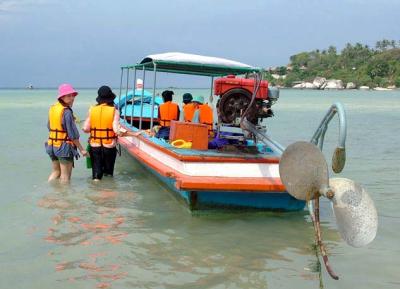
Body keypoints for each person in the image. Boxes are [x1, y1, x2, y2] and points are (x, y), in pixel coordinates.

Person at [45, 83, 87, 184]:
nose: (72, 98)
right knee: (65, 177)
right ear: (62, 97)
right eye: (68, 95)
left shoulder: (53, 108)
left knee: (56, 172)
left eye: (72, 95)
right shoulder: (66, 112)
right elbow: (73, 135)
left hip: (51, 145)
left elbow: (49, 126)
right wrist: (82, 149)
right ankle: (64, 199)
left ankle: (48, 190)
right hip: (63, 147)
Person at [82, 86, 122, 181]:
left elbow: (85, 129)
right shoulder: (115, 111)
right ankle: (108, 191)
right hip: (109, 145)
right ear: (110, 98)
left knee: (96, 174)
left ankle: (95, 189)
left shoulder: (92, 110)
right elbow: (116, 130)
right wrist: (121, 131)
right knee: (108, 174)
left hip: (94, 145)